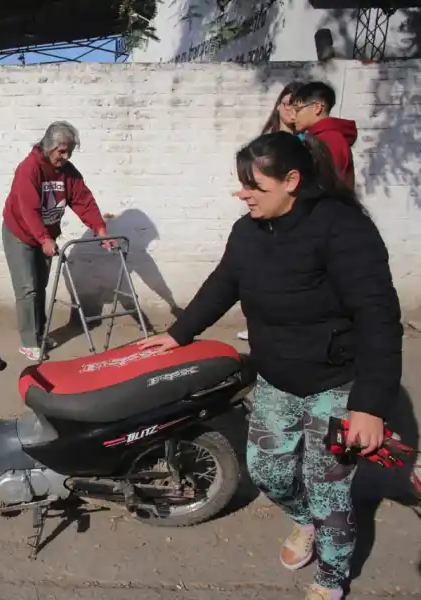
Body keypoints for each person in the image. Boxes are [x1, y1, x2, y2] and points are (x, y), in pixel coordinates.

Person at [138, 132, 402, 600]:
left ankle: (331, 579)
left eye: (254, 186)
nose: (242, 194)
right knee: (268, 473)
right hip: (277, 379)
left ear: (292, 181)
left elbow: (378, 316)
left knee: (330, 493)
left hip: (336, 383)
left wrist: (371, 406)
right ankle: (305, 522)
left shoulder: (344, 230)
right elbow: (225, 281)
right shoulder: (249, 230)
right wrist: (179, 333)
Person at [2, 121, 115, 361]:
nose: (65, 156)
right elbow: (28, 209)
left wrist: (100, 229)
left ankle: (40, 334)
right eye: (61, 151)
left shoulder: (67, 172)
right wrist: (43, 237)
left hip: (46, 235)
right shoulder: (29, 169)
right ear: (48, 146)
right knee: (27, 288)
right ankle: (28, 341)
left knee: (40, 286)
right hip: (19, 233)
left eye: (69, 151)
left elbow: (83, 200)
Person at [238, 80, 305, 342]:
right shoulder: (245, 230)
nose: (291, 111)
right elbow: (222, 284)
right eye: (287, 104)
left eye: (298, 106)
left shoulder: (309, 143)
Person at [291, 81, 357, 188]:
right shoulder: (319, 137)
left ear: (317, 108)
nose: (293, 117)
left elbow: (325, 185)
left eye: (298, 109)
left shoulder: (330, 140)